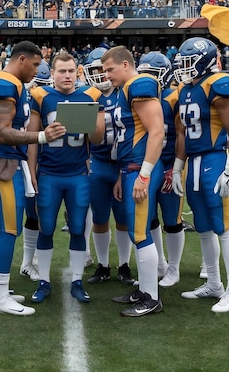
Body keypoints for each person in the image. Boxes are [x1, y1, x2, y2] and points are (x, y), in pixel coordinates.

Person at [0, 41, 66, 316]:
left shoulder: (14, 85)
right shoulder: (4, 82)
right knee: (8, 229)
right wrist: (40, 136)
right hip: (2, 162)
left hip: (5, 161)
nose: (37, 70)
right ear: (22, 59)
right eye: (36, 64)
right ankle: (1, 298)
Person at [27, 52, 105, 304]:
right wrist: (31, 171)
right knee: (46, 227)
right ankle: (44, 281)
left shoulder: (91, 95)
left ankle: (77, 281)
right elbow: (32, 138)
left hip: (78, 175)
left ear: (77, 72)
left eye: (71, 71)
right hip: (49, 173)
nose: (67, 75)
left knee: (78, 229)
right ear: (53, 74)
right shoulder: (42, 96)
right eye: (62, 71)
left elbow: (97, 140)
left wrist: (90, 123)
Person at [172, 37, 229, 313]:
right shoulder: (185, 89)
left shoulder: (218, 84)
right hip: (195, 162)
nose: (184, 67)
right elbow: (182, 132)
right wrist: (178, 167)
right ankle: (213, 283)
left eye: (189, 62)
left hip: (215, 159)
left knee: (222, 225)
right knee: (202, 225)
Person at [101, 45, 165, 317]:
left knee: (140, 233)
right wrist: (122, 174)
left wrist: (144, 173)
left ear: (126, 65)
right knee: (137, 232)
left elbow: (157, 132)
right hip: (130, 167)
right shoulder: (124, 91)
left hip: (141, 167)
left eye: (110, 69)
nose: (107, 75)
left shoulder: (138, 84)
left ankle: (151, 298)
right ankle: (145, 289)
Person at [82, 48, 134, 286]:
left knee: (124, 217)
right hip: (99, 162)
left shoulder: (127, 91)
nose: (102, 75)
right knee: (100, 217)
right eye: (96, 71)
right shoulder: (87, 95)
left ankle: (124, 265)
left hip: (123, 164)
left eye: (105, 70)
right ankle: (103, 265)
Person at [137, 52, 185, 287]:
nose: (147, 80)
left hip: (167, 164)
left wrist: (175, 167)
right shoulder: (137, 97)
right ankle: (160, 264)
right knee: (151, 218)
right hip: (147, 165)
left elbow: (181, 135)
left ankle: (174, 269)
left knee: (172, 219)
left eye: (152, 74)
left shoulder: (173, 98)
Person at [20, 59, 54, 281]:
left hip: (46, 162)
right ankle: (27, 261)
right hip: (27, 161)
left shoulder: (44, 100)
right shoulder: (21, 99)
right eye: (36, 85)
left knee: (40, 214)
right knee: (33, 214)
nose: (39, 90)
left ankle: (31, 260)